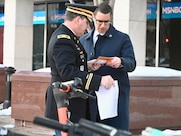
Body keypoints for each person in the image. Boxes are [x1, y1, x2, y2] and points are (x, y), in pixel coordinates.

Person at [44, 3, 115, 136]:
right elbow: (68, 73)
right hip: (66, 105)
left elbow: (70, 65)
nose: (87, 27)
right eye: (87, 22)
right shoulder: (63, 40)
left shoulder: (69, 37)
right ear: (78, 20)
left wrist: (88, 65)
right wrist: (99, 80)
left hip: (73, 104)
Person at [80, 2, 136, 131]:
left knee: (115, 131)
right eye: (99, 21)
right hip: (91, 94)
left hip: (114, 96)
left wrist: (120, 61)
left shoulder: (122, 38)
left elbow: (131, 63)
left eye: (106, 22)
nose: (103, 26)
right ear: (93, 18)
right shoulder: (84, 40)